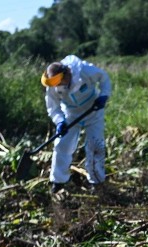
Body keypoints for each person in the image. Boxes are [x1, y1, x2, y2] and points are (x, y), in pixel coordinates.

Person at [41, 55, 112, 192]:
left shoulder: (85, 71)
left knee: (94, 145)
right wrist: (60, 122)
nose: (58, 87)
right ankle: (58, 182)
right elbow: (53, 108)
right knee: (62, 145)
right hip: (71, 115)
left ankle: (97, 182)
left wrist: (104, 95)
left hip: (93, 112)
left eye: (60, 83)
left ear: (67, 74)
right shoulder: (53, 86)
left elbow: (104, 78)